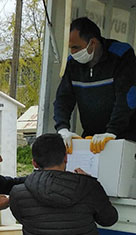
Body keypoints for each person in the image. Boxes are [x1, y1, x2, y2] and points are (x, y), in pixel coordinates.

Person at [54, 17, 136, 154]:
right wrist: (62, 129)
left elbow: (128, 97)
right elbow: (63, 99)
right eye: (70, 48)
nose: (72, 53)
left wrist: (112, 131)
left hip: (126, 136)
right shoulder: (72, 64)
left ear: (92, 43)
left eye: (76, 47)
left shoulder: (121, 55)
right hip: (92, 136)